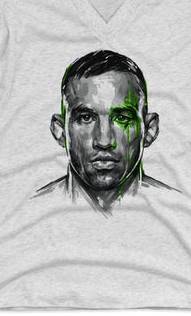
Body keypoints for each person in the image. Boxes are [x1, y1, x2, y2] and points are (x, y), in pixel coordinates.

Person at [31, 49, 181, 215]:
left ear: (149, 130)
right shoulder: (30, 212)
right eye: (86, 118)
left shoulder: (181, 211)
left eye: (122, 118)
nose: (104, 141)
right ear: (60, 131)